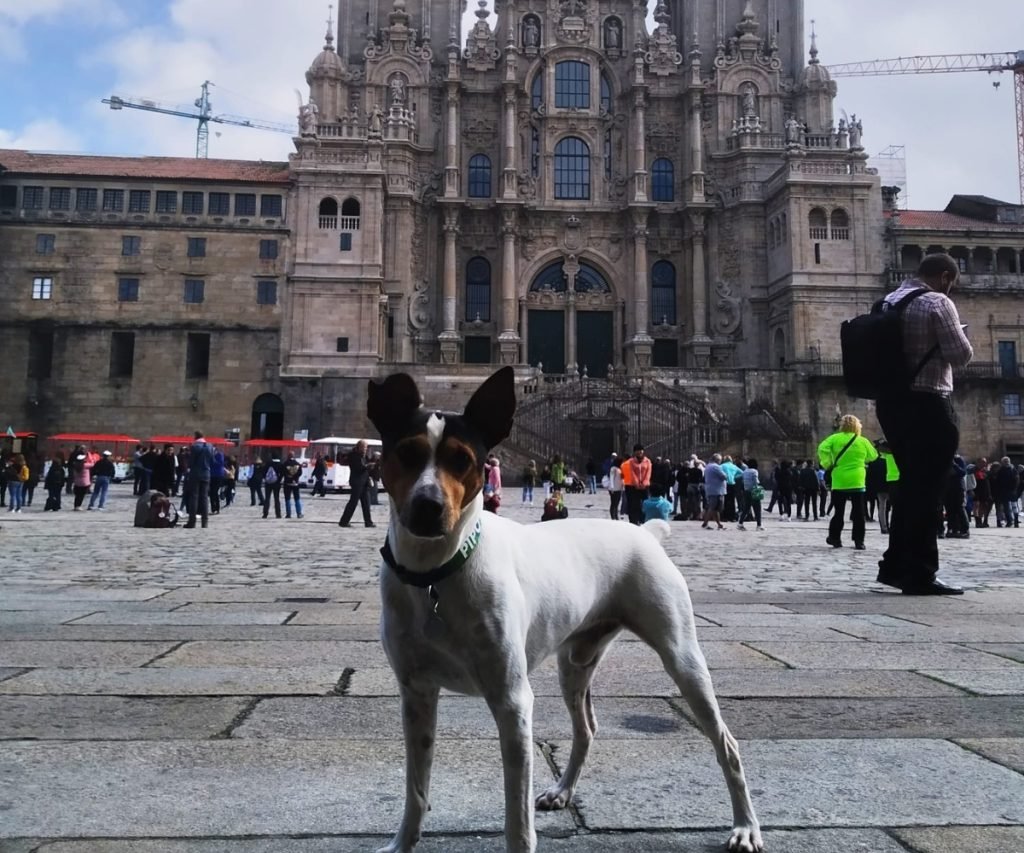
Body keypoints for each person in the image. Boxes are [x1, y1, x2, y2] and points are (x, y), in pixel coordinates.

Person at [875, 254, 973, 594]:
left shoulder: (889, 300)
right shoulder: (937, 302)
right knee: (929, 490)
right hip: (928, 402)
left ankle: (894, 567)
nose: (951, 288)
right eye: (952, 283)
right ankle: (920, 572)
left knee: (910, 487)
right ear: (945, 277)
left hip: (891, 405)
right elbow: (960, 355)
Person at [818, 415, 878, 550]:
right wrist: (861, 459)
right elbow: (873, 455)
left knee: (838, 512)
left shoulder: (835, 438)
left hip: (839, 479)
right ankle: (859, 541)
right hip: (857, 479)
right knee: (859, 513)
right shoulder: (862, 441)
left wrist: (828, 462)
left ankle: (835, 538)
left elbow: (822, 448)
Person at [338, 439, 374, 527]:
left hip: (364, 482)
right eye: (364, 447)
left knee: (366, 503)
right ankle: (344, 522)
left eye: (366, 447)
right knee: (353, 502)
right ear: (360, 447)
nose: (366, 449)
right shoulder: (354, 455)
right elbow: (358, 468)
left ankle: (368, 522)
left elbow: (365, 466)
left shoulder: (363, 456)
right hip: (357, 482)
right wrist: (368, 466)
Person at [184, 431, 215, 529]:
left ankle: (192, 522)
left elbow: (191, 462)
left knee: (194, 497)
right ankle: (204, 522)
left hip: (195, 473)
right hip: (206, 473)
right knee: (204, 497)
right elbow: (212, 460)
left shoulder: (194, 446)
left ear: (195, 437)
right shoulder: (210, 446)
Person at [624, 444, 652, 525]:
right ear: (634, 452)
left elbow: (648, 473)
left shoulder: (647, 461)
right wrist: (636, 483)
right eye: (637, 450)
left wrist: (644, 483)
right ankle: (634, 521)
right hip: (633, 486)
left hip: (645, 486)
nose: (639, 452)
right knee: (634, 504)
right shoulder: (631, 462)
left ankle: (643, 520)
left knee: (644, 503)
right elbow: (632, 473)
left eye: (641, 450)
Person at [702, 453, 727, 530]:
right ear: (717, 460)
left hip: (710, 489)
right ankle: (705, 523)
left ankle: (719, 524)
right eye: (720, 460)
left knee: (715, 509)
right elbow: (724, 476)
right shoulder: (716, 467)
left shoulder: (708, 466)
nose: (721, 462)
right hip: (717, 490)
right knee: (713, 508)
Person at [740, 458, 764, 531]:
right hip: (754, 491)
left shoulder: (745, 471)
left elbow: (743, 481)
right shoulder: (754, 471)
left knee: (746, 508)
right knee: (757, 508)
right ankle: (759, 525)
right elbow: (756, 481)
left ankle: (740, 523)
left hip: (746, 491)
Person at [282, 453, 304, 519]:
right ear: (294, 456)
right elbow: (300, 473)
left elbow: (283, 472)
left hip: (287, 483)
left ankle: (288, 514)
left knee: (287, 499)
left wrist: (288, 476)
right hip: (295, 483)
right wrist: (295, 477)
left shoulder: (285, 464)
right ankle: (299, 513)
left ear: (288, 456)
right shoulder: (297, 464)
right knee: (297, 498)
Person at [262, 454, 284, 519]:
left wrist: (266, 478)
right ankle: (278, 514)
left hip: (268, 483)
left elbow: (263, 472)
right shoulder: (280, 464)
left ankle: (265, 513)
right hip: (277, 483)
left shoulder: (268, 464)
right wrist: (279, 479)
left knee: (267, 498)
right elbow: (282, 473)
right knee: (276, 498)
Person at [607, 456, 623, 520]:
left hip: (619, 488)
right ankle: (613, 516)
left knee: (617, 503)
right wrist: (612, 488)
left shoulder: (620, 469)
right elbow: (611, 478)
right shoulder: (613, 469)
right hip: (613, 489)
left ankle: (616, 515)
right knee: (613, 503)